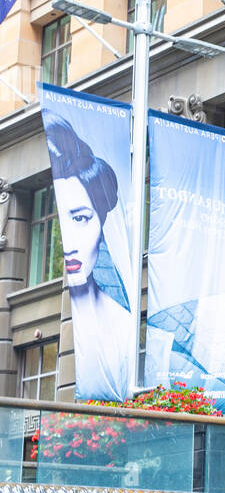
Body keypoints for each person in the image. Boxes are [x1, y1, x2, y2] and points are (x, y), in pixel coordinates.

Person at [44, 112, 133, 402]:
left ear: (102, 222)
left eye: (81, 218)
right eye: (63, 222)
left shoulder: (123, 325)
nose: (68, 243)